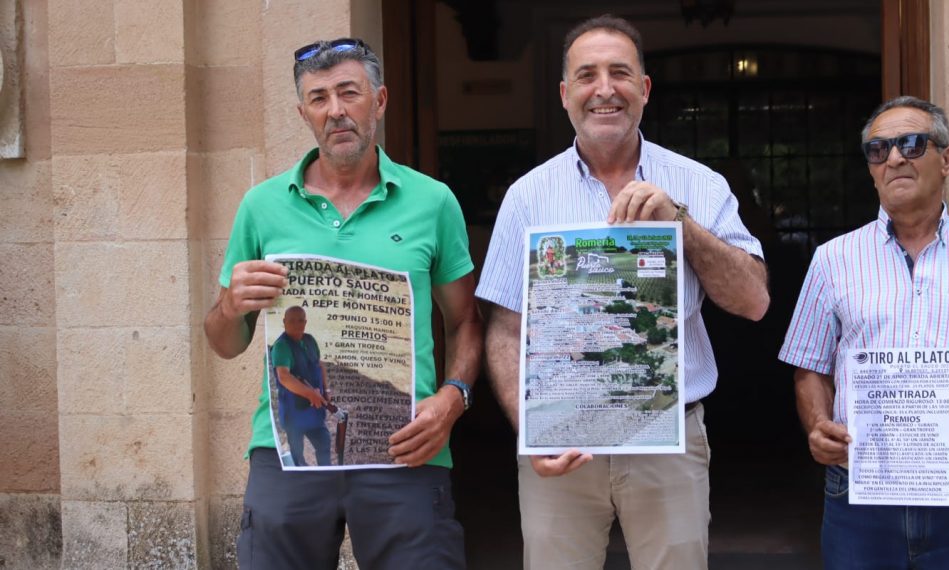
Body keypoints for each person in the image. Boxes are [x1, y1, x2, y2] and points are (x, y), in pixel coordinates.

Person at [477, 15, 769, 570]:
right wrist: (529, 430)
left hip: (668, 437)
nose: (604, 89)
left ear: (644, 89)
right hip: (561, 439)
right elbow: (507, 330)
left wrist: (678, 220)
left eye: (619, 73)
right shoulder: (527, 196)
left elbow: (753, 301)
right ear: (565, 95)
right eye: (586, 76)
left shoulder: (699, 184)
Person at [203, 37, 482, 569]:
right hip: (287, 448)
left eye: (349, 93)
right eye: (319, 98)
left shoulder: (432, 201)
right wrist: (231, 306)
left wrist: (453, 399)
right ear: (303, 112)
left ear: (379, 101)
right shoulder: (261, 207)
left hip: (402, 442)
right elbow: (223, 342)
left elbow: (466, 320)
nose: (336, 111)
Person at [779, 95, 949, 569]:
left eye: (910, 143)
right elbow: (809, 368)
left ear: (946, 159)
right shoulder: (833, 259)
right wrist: (818, 425)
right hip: (861, 494)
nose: (893, 158)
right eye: (877, 149)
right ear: (870, 168)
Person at [270, 306, 331, 467]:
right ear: (284, 322)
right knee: (297, 452)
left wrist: (326, 390)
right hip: (294, 411)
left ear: (305, 322)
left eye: (300, 320)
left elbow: (319, 365)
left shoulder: (309, 340)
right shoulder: (282, 346)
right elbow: (284, 376)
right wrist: (311, 394)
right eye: (291, 320)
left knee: (324, 444)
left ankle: (326, 475)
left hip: (315, 409)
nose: (296, 324)